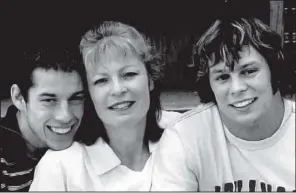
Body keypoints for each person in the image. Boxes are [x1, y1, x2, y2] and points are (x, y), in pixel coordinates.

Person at [29, 21, 180, 191]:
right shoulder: (59, 168)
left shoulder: (183, 134)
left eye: (129, 74)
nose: (118, 89)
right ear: (89, 94)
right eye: (101, 80)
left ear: (150, 79)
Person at [151, 16, 296, 191]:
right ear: (209, 86)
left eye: (249, 71)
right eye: (222, 77)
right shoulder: (186, 137)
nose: (236, 88)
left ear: (274, 70)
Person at [0, 47, 86, 191]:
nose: (65, 116)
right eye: (49, 100)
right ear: (18, 98)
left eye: (75, 98)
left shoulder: (91, 139)